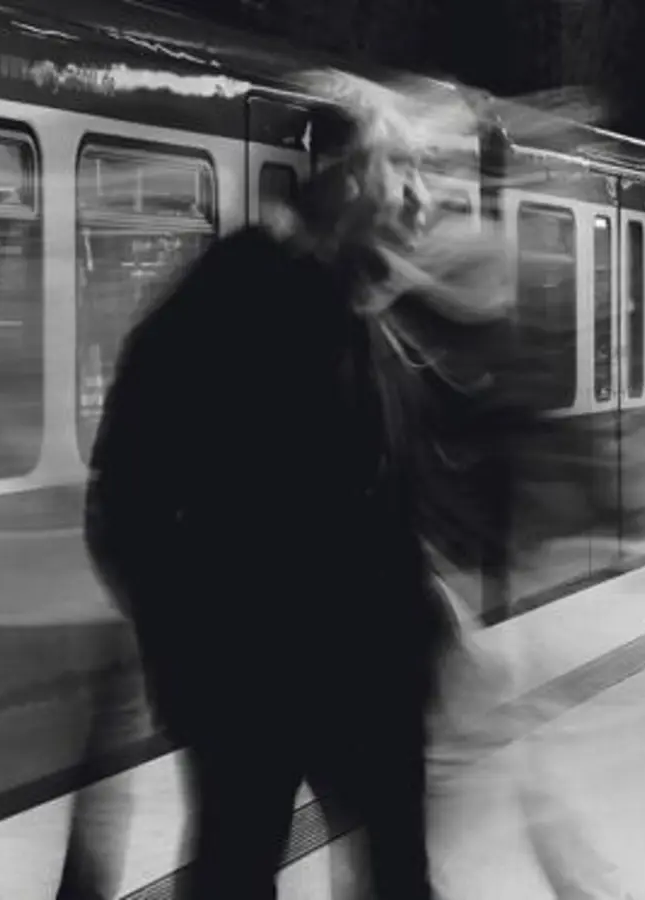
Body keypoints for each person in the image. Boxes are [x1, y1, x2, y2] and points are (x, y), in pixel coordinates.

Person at [84, 97, 449, 900]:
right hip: (258, 688)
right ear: (352, 183)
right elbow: (127, 493)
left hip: (364, 682)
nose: (427, 199)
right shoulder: (239, 294)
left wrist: (425, 622)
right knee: (240, 871)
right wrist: (202, 658)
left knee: (385, 873)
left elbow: (380, 503)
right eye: (407, 171)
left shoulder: (369, 319)